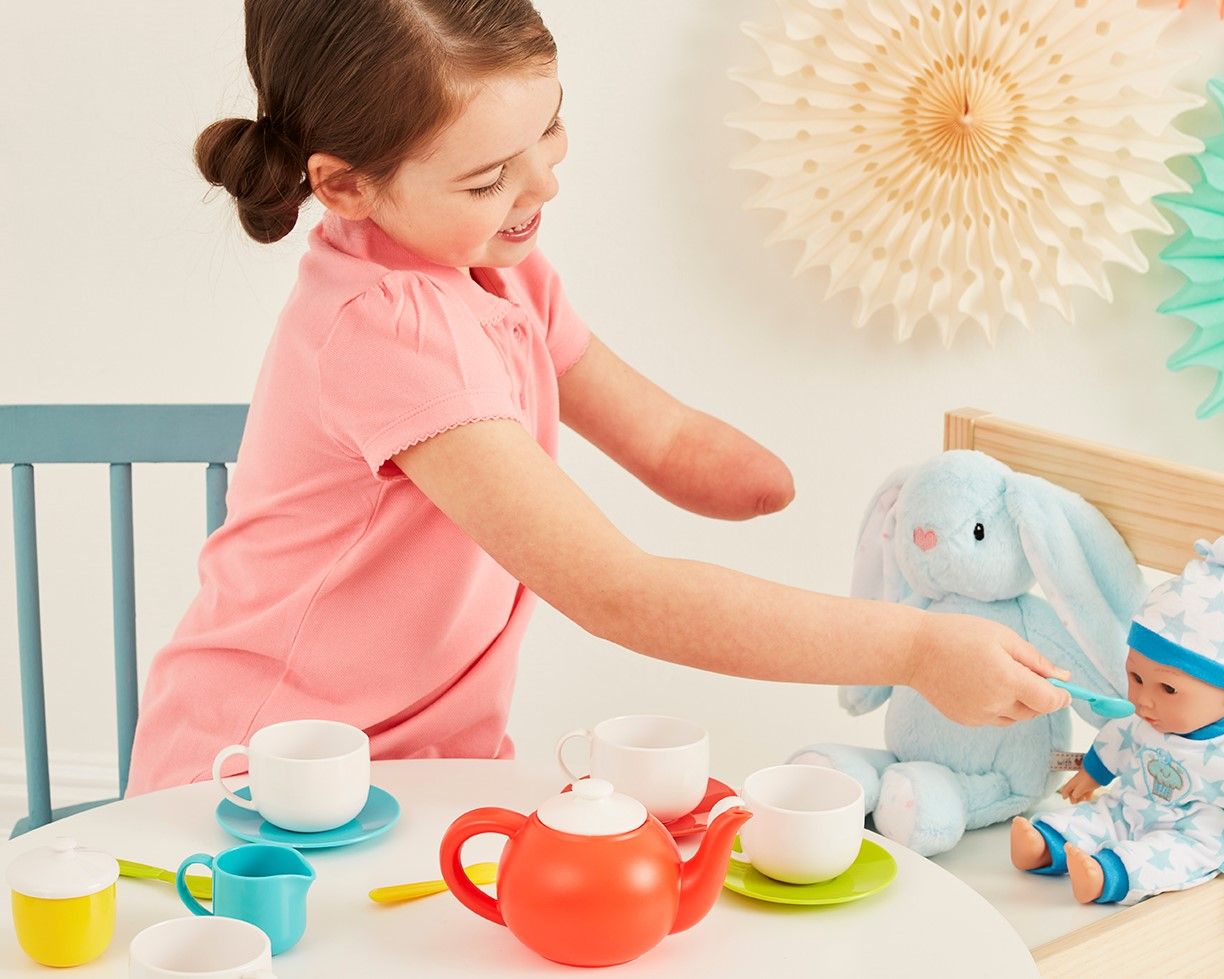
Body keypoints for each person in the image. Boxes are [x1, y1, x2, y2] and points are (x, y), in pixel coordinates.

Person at [125, 0, 1071, 796]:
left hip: (420, 767)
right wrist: (909, 646)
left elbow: (656, 432)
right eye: (489, 177)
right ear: (345, 186)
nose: (542, 181)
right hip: (261, 775)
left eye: (548, 127)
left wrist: (763, 480)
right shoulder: (388, 327)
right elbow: (617, 592)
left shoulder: (498, 269)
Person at [1010, 536, 1224, 906]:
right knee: (1097, 816)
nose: (1144, 700)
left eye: (1168, 689)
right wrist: (1092, 774)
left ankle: (1107, 876)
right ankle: (1046, 844)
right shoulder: (1147, 720)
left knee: (1165, 859)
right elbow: (1118, 740)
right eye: (1136, 677)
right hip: (1130, 805)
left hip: (1191, 835)